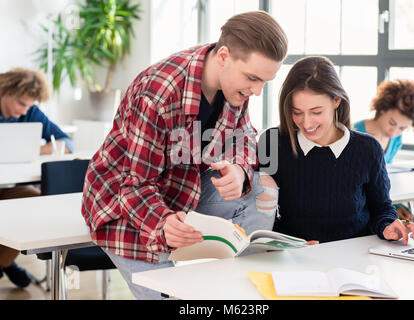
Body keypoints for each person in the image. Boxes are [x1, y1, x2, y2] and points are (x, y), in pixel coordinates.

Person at [81, 11, 288, 300]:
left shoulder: (234, 86)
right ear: (224, 56)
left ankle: (240, 289)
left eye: (265, 81)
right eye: (253, 78)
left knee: (262, 188)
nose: (257, 90)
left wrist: (240, 170)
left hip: (183, 191)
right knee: (173, 298)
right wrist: (163, 223)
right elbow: (135, 186)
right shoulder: (158, 94)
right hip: (127, 208)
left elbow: (246, 138)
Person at [258, 56, 414, 245]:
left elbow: (381, 208)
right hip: (291, 260)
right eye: (297, 112)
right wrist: (286, 245)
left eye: (316, 112)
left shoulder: (368, 149)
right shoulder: (272, 142)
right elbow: (258, 214)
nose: (306, 122)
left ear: (336, 101)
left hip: (353, 260)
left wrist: (388, 226)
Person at [0, 67, 74, 288]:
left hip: (8, 187)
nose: (25, 111)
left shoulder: (31, 113)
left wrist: (37, 149)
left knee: (34, 201)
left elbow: (67, 143)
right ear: (6, 92)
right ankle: (7, 264)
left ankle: (3, 261)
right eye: (22, 104)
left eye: (30, 105)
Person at [353, 79, 414, 222]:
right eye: (392, 123)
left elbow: (383, 183)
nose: (394, 131)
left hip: (383, 203)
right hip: (362, 208)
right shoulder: (356, 133)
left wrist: (397, 205)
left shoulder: (396, 140)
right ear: (382, 109)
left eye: (402, 128)